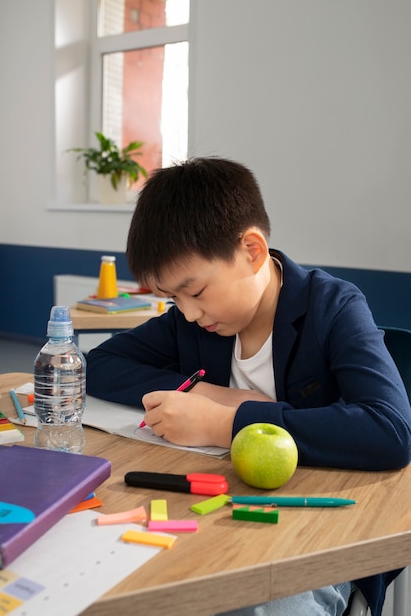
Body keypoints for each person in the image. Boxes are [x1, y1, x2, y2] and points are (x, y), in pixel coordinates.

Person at [86, 157, 411, 616]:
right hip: (217, 515)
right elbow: (98, 363)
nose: (189, 312)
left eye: (195, 292)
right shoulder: (193, 323)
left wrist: (228, 423)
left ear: (253, 250)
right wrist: (203, 393)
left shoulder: (334, 307)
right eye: (173, 299)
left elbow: (390, 432)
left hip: (315, 532)